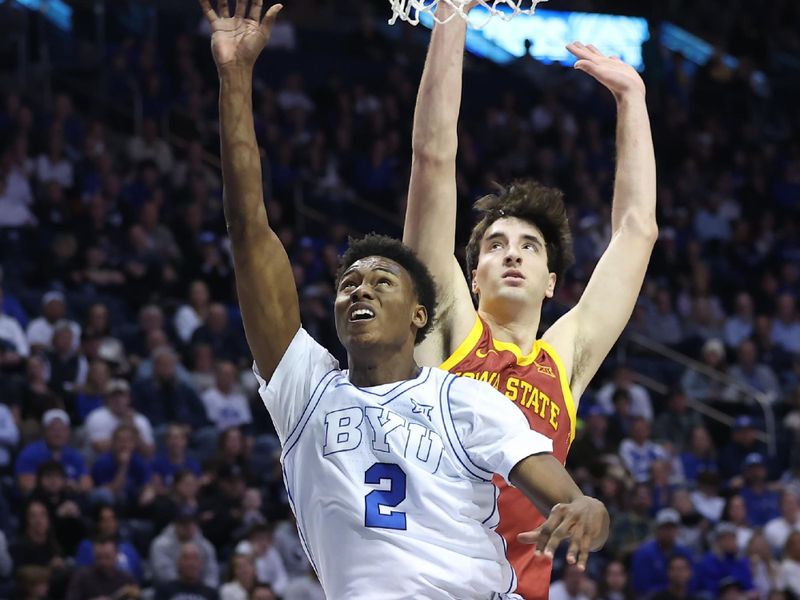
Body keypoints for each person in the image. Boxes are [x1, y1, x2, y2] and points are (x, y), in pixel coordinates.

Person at [200, 1, 608, 598]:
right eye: (348, 283)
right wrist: (235, 78)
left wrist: (586, 506)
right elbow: (248, 230)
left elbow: (563, 492)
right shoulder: (305, 389)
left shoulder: (464, 399)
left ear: (421, 314)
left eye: (381, 281)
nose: (359, 288)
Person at [401, 1, 656, 597]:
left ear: (550, 281)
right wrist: (451, 18)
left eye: (529, 247)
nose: (512, 254)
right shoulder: (451, 331)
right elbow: (433, 160)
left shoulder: (561, 362)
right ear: (472, 276)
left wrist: (633, 100)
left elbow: (637, 230)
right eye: (495, 245)